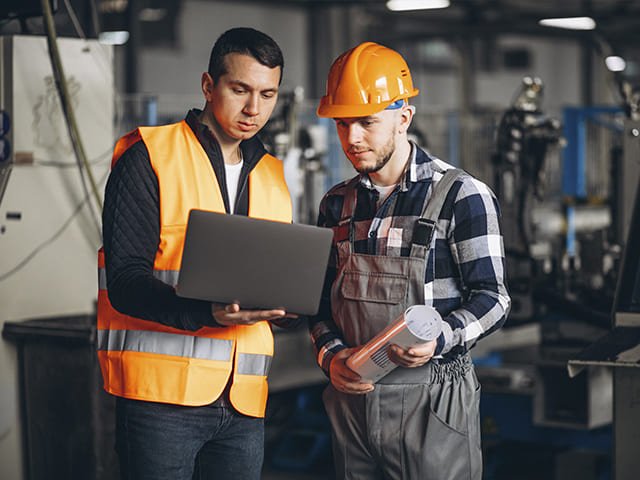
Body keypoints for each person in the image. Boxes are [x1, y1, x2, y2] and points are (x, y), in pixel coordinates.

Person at [98, 27, 297, 480]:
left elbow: (274, 275)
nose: (254, 109)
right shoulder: (149, 157)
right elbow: (125, 280)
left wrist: (290, 308)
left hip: (244, 400)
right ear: (209, 86)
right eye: (240, 89)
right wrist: (205, 311)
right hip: (160, 401)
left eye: (268, 94)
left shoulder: (272, 174)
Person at [310, 41, 511, 480]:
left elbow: (493, 299)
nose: (352, 138)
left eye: (366, 122)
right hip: (352, 404)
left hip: (433, 403)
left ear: (404, 118)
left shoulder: (460, 195)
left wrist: (441, 336)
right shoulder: (336, 204)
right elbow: (319, 306)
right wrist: (332, 357)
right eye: (343, 124)